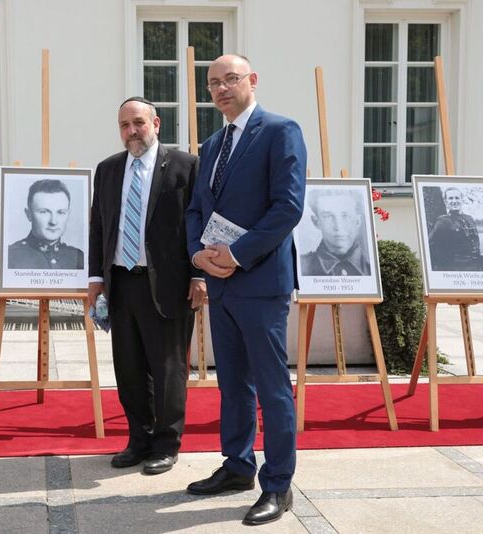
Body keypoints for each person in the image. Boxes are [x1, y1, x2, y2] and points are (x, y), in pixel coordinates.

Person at [185, 55, 306, 526]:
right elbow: (197, 208)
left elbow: (288, 207)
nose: (220, 89)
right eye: (213, 83)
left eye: (229, 79)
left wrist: (235, 256)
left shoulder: (280, 131)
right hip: (219, 284)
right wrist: (198, 255)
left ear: (252, 80)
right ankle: (237, 466)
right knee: (232, 384)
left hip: (259, 282)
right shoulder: (212, 144)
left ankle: (277, 485)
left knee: (273, 390)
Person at [89, 96, 204, 475]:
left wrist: (200, 275)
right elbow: (99, 227)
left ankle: (166, 445)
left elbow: (200, 224)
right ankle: (138, 440)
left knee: (169, 369)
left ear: (156, 123)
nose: (131, 131)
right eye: (124, 125)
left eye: (138, 122)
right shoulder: (107, 170)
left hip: (170, 285)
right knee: (130, 369)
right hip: (122, 283)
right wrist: (95, 279)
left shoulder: (185, 166)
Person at [8, 179, 84, 269]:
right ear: (29, 214)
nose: (53, 221)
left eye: (61, 212)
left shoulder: (78, 257)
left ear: (68, 214)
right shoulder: (10, 256)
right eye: (44, 212)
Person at [300, 189, 370, 276]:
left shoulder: (372, 267)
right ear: (316, 222)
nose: (338, 227)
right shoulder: (301, 267)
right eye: (328, 216)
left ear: (357, 221)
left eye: (345, 216)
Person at [428, 187, 483, 271]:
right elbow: (431, 246)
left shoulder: (470, 218)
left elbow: (475, 242)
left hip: (476, 266)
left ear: (462, 200)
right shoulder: (443, 221)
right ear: (446, 202)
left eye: (457, 198)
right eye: (450, 198)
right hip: (457, 268)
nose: (454, 201)